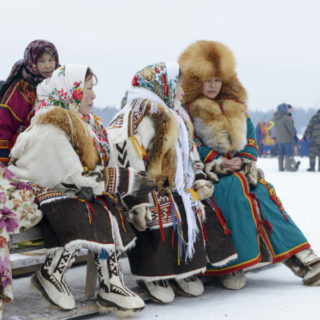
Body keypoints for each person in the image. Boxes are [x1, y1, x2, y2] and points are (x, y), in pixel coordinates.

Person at [8, 65, 154, 315]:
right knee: (80, 207)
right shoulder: (50, 126)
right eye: (88, 88)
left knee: (104, 203)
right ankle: (51, 274)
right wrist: (129, 180)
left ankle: (111, 283)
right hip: (30, 193)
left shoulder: (86, 125)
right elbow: (75, 176)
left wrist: (136, 189)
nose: (93, 95)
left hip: (64, 189)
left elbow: (96, 170)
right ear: (71, 91)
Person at [178, 40, 320, 290]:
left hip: (241, 170)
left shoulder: (235, 107)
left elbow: (251, 137)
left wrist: (244, 160)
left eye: (217, 80)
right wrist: (217, 161)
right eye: (207, 80)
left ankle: (301, 256)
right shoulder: (187, 111)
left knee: (263, 192)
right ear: (196, 80)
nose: (212, 85)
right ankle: (232, 264)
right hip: (206, 175)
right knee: (234, 191)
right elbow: (190, 143)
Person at [107, 62, 237, 303]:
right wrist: (136, 200)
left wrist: (198, 177)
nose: (182, 89)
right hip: (142, 188)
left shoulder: (175, 114)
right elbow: (125, 158)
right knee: (162, 207)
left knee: (193, 203)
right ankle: (154, 274)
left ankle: (184, 269)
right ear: (162, 85)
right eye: (178, 84)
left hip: (174, 184)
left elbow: (191, 152)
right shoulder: (135, 116)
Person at [0, 40, 59, 164]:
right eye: (42, 61)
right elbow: (3, 124)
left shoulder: (60, 84)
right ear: (32, 62)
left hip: (51, 150)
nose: (48, 66)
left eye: (51, 60)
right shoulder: (21, 89)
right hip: (20, 153)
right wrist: (3, 162)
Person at [273, 103, 300, 171]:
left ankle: (280, 168)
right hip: (287, 139)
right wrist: (294, 136)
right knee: (289, 154)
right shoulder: (286, 117)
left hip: (279, 139)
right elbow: (291, 129)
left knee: (281, 154)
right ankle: (289, 167)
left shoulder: (275, 117)